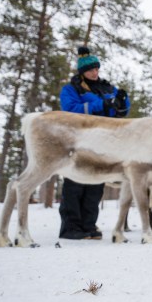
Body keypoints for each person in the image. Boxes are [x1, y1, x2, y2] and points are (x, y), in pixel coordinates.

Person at [58, 46, 130, 240]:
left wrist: (122, 103)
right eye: (90, 69)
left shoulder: (107, 88)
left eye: (96, 68)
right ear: (82, 72)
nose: (94, 72)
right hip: (79, 140)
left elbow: (118, 111)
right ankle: (71, 227)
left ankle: (89, 225)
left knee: (96, 183)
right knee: (75, 182)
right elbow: (70, 109)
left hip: (103, 142)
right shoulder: (71, 89)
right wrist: (100, 105)